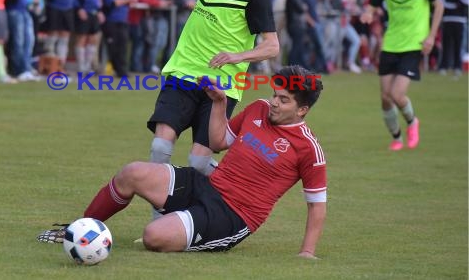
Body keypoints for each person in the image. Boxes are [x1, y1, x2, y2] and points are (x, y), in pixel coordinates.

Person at [37, 66, 326, 258]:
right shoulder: (259, 108)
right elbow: (218, 142)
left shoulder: (308, 149)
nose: (274, 102)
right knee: (132, 173)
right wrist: (219, 103)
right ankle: (79, 229)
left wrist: (307, 252)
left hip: (233, 216)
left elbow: (316, 204)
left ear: (302, 110)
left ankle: (196, 232)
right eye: (275, 95)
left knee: (153, 237)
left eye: (284, 100)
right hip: (208, 185)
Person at [126, 0, 279, 177]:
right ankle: (160, 216)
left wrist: (237, 56)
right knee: (160, 146)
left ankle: (226, 186)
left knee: (198, 164)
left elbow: (272, 45)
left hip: (222, 84)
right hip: (184, 70)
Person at [360, 0, 444, 151]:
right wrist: (368, 13)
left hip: (414, 44)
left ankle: (413, 122)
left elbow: (439, 5)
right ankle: (396, 137)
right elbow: (372, 5)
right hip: (390, 44)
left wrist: (431, 36)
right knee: (385, 98)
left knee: (397, 94)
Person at [100, 0, 138, 77]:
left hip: (123, 19)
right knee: (113, 47)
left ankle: (122, 71)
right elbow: (112, 2)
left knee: (123, 46)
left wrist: (128, 0)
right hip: (111, 19)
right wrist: (127, 0)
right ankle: (117, 70)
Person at [75, 0, 104, 74]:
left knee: (93, 38)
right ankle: (80, 67)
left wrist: (99, 10)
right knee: (82, 37)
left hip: (94, 11)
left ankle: (88, 66)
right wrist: (79, 8)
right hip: (84, 10)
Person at [439, 0, 468, 77]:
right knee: (446, 45)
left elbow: (465, 3)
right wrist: (456, 6)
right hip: (447, 22)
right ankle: (443, 67)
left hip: (460, 23)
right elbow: (443, 5)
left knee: (459, 46)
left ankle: (457, 67)